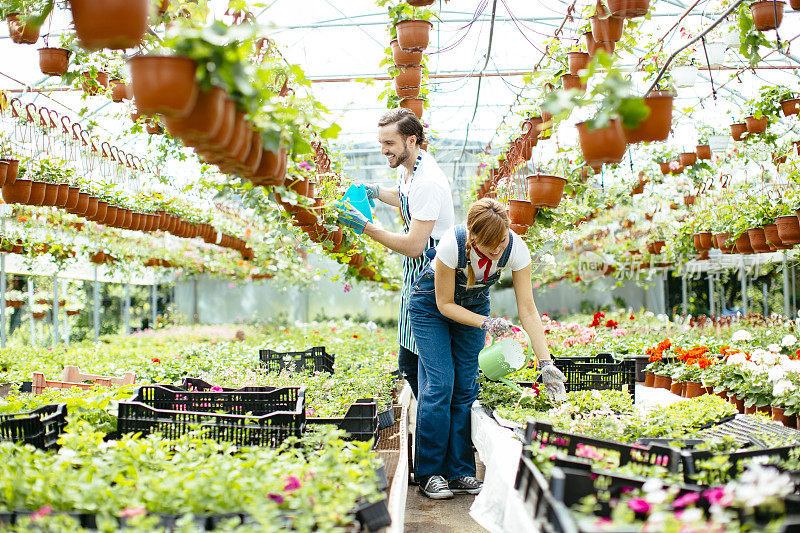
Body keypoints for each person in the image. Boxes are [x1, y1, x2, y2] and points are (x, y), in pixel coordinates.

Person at [408, 198, 567, 500]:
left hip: (475, 306)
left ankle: (459, 471)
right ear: (472, 237)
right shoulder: (451, 245)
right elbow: (444, 305)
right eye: (489, 246)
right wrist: (485, 323)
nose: (497, 251)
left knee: (466, 388)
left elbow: (529, 310)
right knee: (440, 384)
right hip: (431, 307)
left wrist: (546, 362)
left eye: (501, 241)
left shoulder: (516, 248)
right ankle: (430, 472)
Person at [338, 109, 454, 399]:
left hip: (432, 275)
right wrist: (376, 191)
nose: (383, 150)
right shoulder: (410, 168)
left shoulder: (428, 181)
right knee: (409, 363)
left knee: (420, 368)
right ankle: (431, 414)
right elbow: (404, 196)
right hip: (415, 274)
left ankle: (434, 422)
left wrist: (365, 227)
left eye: (389, 143)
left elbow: (415, 246)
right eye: (381, 142)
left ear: (411, 140)